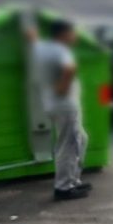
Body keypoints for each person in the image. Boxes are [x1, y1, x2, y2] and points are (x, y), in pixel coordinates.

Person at [33, 18, 90, 201]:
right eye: (72, 33)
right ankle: (63, 187)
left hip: (52, 104)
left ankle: (73, 180)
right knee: (69, 145)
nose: (75, 36)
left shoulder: (41, 47)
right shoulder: (61, 50)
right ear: (63, 34)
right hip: (65, 106)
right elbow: (69, 68)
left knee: (81, 139)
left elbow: (32, 39)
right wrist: (63, 88)